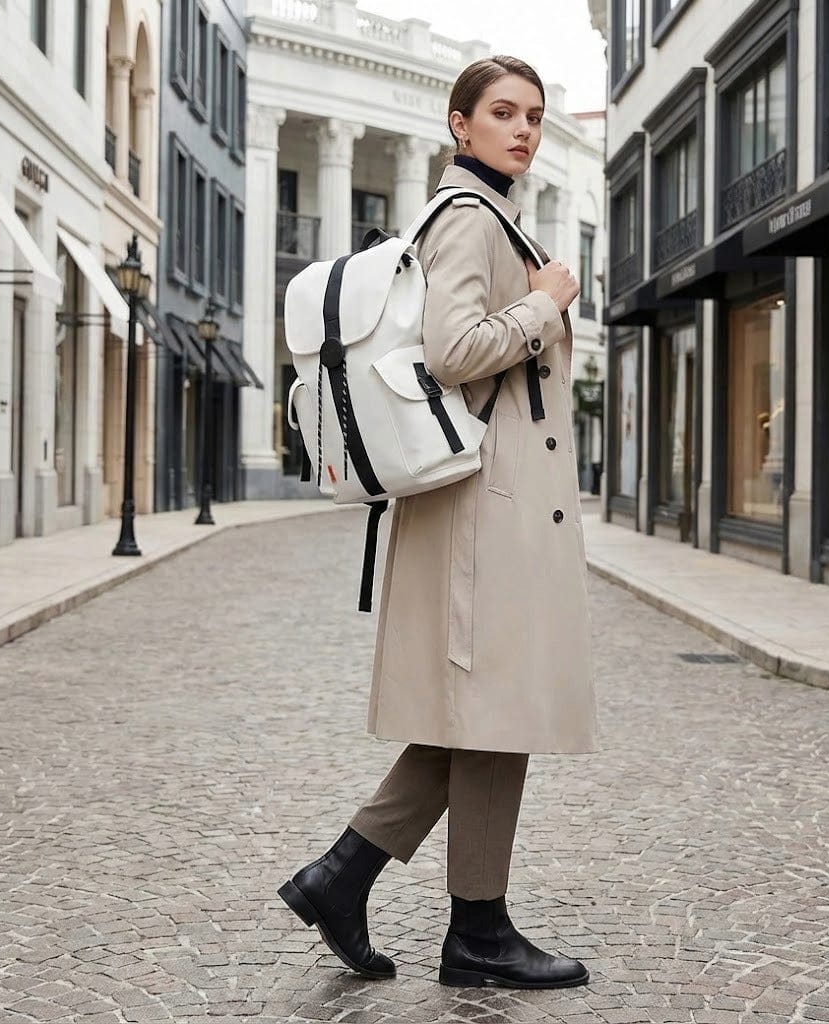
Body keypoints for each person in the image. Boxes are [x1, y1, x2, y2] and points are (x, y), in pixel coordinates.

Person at [278, 55, 599, 990]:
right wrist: (545, 306)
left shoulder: (487, 214)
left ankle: (362, 886)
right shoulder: (467, 218)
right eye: (503, 113)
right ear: (460, 125)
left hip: (488, 504)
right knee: (495, 713)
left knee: (491, 715)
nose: (525, 129)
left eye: (534, 115)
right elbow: (455, 352)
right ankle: (471, 929)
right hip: (484, 509)